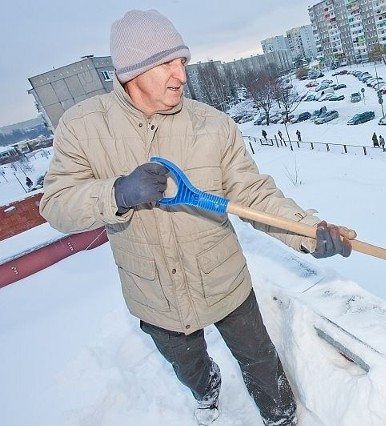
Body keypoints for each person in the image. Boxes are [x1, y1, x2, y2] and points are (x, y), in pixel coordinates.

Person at [39, 9, 356, 426]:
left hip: (223, 279)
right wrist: (115, 192)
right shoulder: (82, 128)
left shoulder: (213, 126)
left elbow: (253, 193)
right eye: (167, 63)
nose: (181, 75)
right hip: (153, 294)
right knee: (188, 367)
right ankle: (207, 389)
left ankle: (281, 418)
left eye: (183, 62)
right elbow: (56, 203)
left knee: (260, 361)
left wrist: (306, 231)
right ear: (133, 69)